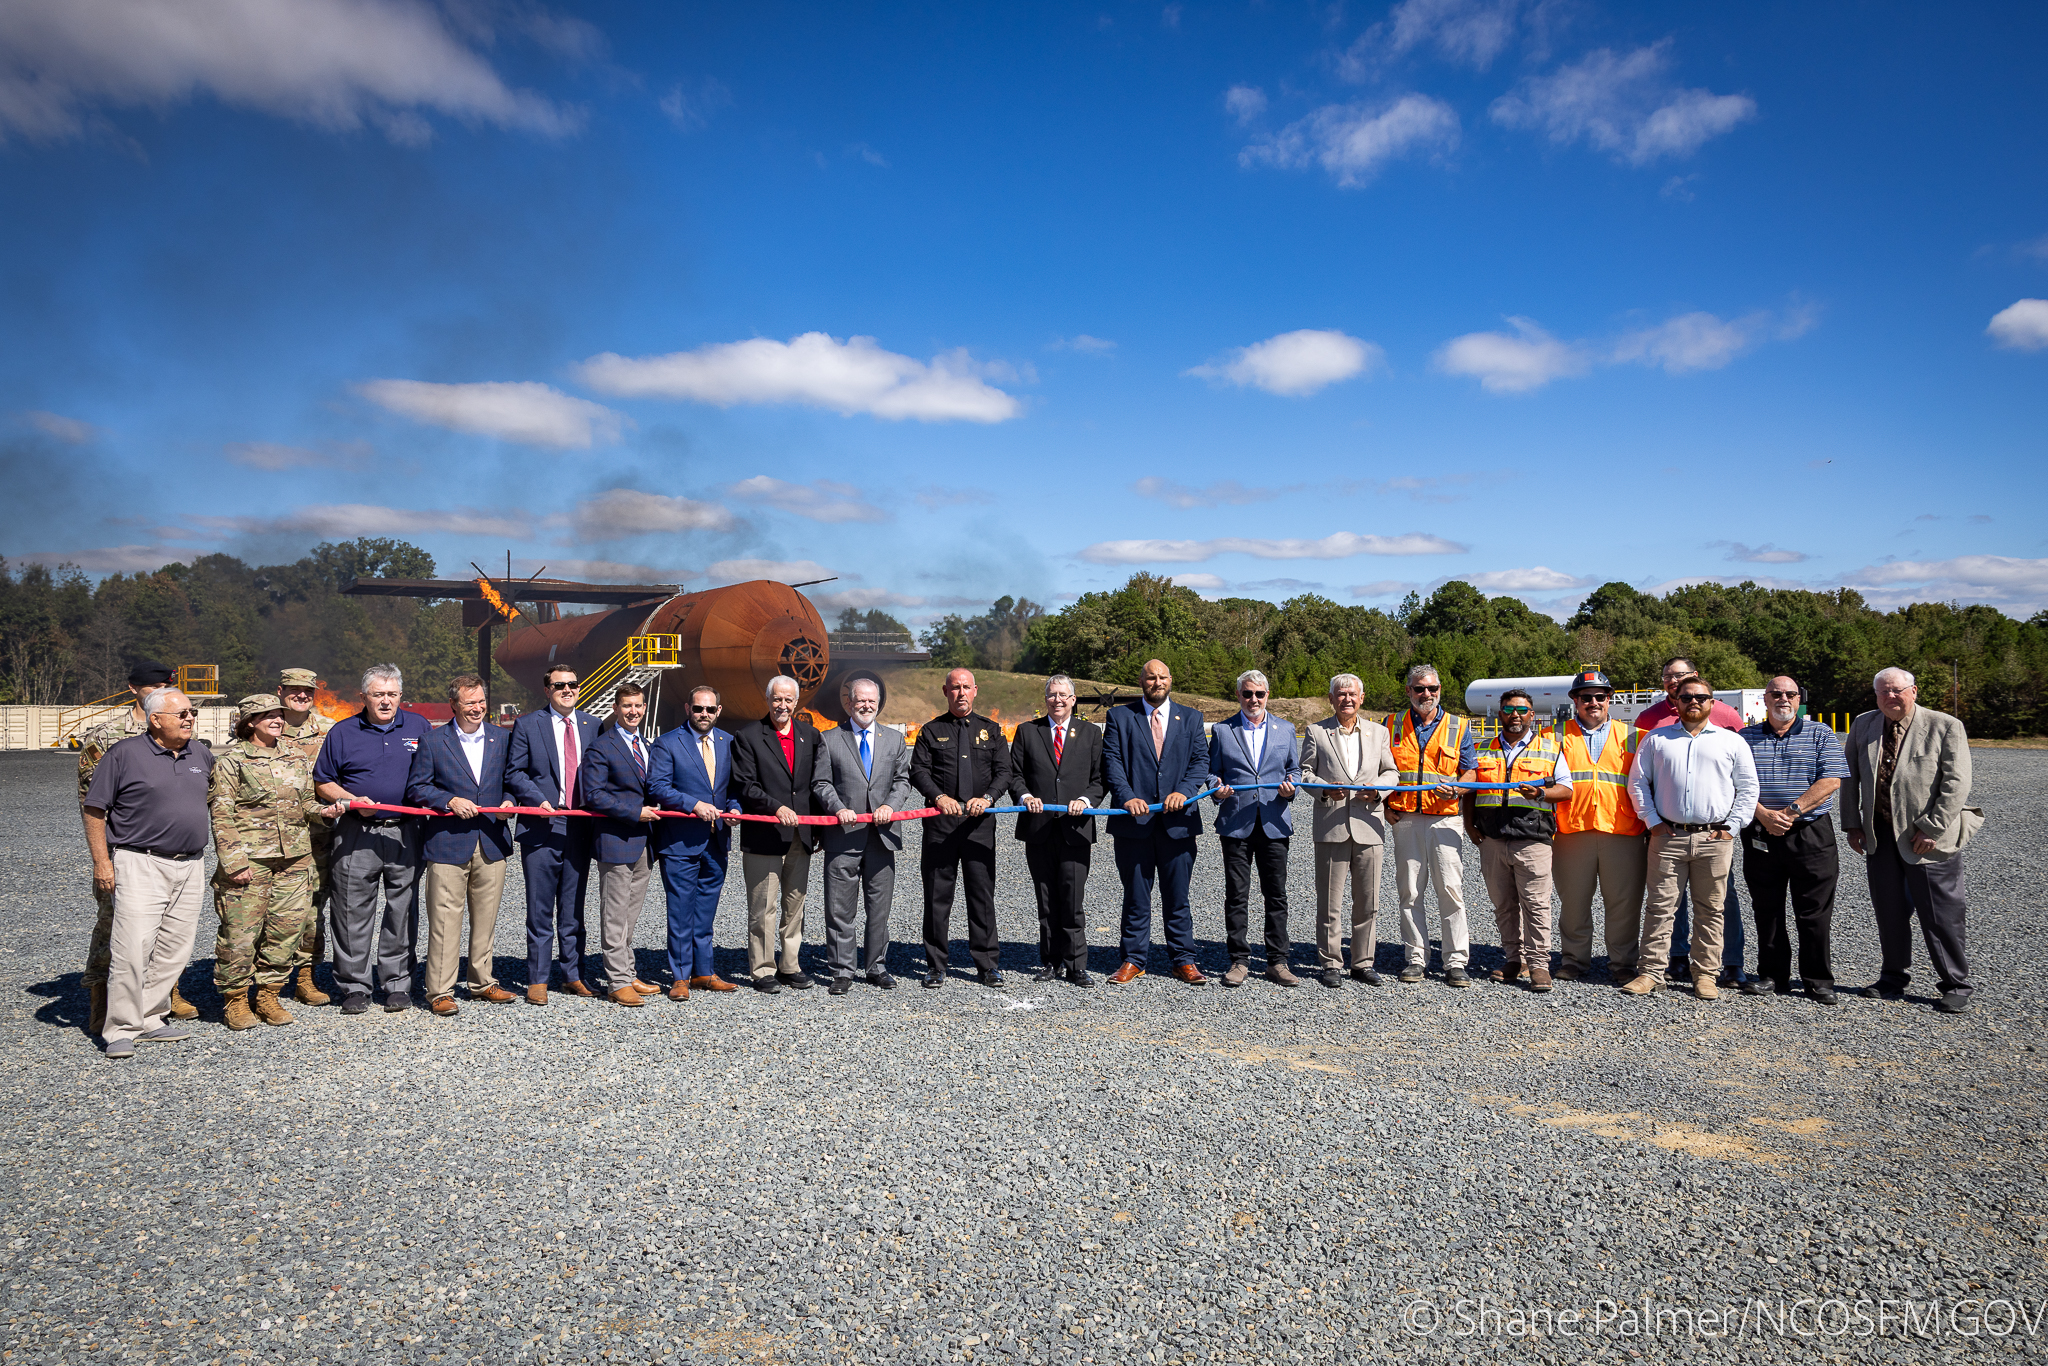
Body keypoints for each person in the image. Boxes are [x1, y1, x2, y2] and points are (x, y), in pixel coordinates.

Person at [80, 688, 213, 1059]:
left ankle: (152, 1017)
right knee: (132, 947)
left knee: (175, 948)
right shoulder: (124, 754)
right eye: (182, 714)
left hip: (190, 863)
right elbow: (94, 810)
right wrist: (101, 862)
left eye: (192, 714)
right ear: (156, 719)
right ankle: (120, 1027)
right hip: (140, 861)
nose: (190, 719)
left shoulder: (200, 753)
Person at [1841, 668, 1980, 1014]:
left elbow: (1956, 784)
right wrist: (1852, 824)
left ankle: (1955, 983)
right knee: (1889, 910)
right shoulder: (1863, 724)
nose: (1890, 697)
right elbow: (1849, 778)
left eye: (1897, 691)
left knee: (1941, 914)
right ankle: (1892, 977)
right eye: (1883, 692)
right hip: (1879, 836)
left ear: (1913, 691)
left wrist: (1932, 828)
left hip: (1926, 838)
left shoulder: (1945, 726)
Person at [210, 694, 344, 1030]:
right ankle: (235, 1000)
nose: (277, 720)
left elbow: (306, 804)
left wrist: (324, 812)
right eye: (267, 715)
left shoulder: (295, 757)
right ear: (250, 721)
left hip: (295, 859)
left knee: (286, 931)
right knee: (241, 933)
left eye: (278, 715)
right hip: (251, 860)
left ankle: (268, 994)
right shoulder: (232, 761)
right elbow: (221, 813)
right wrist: (233, 861)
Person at [1623, 679, 1758, 1001]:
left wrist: (1732, 827)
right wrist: (1653, 821)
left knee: (1711, 909)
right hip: (1668, 837)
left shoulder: (1731, 742)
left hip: (1714, 839)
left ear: (1712, 702)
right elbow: (1638, 783)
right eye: (1686, 697)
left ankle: (1706, 975)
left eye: (1700, 697)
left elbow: (1748, 788)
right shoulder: (1657, 739)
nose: (1693, 702)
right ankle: (1652, 972)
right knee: (1659, 907)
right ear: (1676, 702)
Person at [312, 665, 434, 1015]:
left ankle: (396, 983)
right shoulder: (343, 732)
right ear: (363, 696)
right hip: (356, 831)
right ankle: (354, 987)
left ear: (400, 696)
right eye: (378, 694)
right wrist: (351, 800)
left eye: (392, 694)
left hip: (406, 831)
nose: (385, 701)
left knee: (402, 909)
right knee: (351, 909)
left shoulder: (418, 727)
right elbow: (323, 781)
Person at [405, 674, 517, 1017]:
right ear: (453, 704)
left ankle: (483, 982)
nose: (477, 708)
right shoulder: (433, 742)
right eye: (469, 703)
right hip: (448, 844)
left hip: (491, 843)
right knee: (444, 920)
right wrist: (449, 799)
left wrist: (510, 802)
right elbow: (417, 788)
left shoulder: (503, 738)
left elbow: (513, 781)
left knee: (486, 919)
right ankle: (439, 990)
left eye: (481, 701)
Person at [1737, 676, 1850, 1004]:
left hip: (1810, 833)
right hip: (1761, 832)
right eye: (1776, 694)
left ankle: (1817, 979)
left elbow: (1831, 779)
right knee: (1766, 908)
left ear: (1799, 699)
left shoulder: (1820, 734)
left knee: (1813, 910)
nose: (1783, 698)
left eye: (1790, 694)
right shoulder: (1745, 737)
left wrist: (1791, 811)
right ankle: (1773, 975)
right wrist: (1763, 815)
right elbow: (1735, 781)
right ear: (1765, 699)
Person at [1102, 659, 1212, 986]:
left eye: (1162, 676)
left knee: (1177, 896)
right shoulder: (1120, 717)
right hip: (1133, 824)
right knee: (1136, 895)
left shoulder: (1191, 718)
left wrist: (1185, 791)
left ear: (1170, 680)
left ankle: (1183, 959)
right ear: (1141, 681)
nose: (1157, 682)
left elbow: (1199, 761)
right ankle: (1134, 959)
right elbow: (1112, 762)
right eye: (1151, 677)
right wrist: (1126, 796)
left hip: (1179, 823)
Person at [1462, 688, 1573, 992]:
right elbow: (1470, 790)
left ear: (1532, 715)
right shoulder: (1482, 749)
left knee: (1536, 905)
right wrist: (1469, 825)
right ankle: (1514, 959)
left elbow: (1566, 790)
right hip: (1493, 839)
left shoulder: (1550, 748)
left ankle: (1538, 965)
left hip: (1532, 839)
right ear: (1499, 714)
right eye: (1509, 709)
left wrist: (1541, 794)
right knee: (1504, 905)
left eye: (1522, 710)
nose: (1515, 715)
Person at [909, 668, 1014, 988]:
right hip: (941, 828)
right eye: (955, 688)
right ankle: (936, 965)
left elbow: (1004, 772)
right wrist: (938, 797)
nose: (961, 693)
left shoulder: (991, 730)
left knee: (981, 897)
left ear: (976, 690)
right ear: (945, 692)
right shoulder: (930, 730)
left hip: (979, 827)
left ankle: (986, 964)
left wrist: (989, 797)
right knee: (938, 898)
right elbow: (918, 771)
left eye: (966, 687)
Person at [505, 664, 603, 1004]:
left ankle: (574, 975)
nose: (567, 690)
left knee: (574, 910)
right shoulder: (528, 725)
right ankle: (538, 978)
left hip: (579, 827)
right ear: (546, 690)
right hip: (542, 826)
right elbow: (514, 772)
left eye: (573, 684)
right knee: (540, 908)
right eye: (559, 685)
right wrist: (538, 799)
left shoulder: (593, 725)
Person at [811, 678, 915, 994]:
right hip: (844, 834)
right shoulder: (829, 739)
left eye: (872, 701)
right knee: (840, 907)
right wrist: (837, 807)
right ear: (850, 703)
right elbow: (821, 783)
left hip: (882, 835)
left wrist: (890, 806)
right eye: (860, 701)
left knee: (879, 907)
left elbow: (902, 781)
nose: (866, 706)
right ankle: (842, 970)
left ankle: (876, 966)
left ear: (879, 702)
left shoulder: (895, 740)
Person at [1298, 672, 1400, 987]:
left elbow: (1392, 771)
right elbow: (1304, 773)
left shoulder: (1379, 732)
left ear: (1362, 698)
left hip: (1369, 825)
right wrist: (1325, 790)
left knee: (1368, 902)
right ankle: (1330, 963)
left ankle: (1362, 963)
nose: (1347, 699)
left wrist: (1379, 790)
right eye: (1340, 694)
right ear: (1331, 699)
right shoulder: (1316, 732)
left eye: (1352, 694)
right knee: (1330, 902)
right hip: (1331, 827)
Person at [1549, 669, 1648, 982]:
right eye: (1585, 697)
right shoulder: (1554, 736)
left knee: (1623, 903)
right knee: (1574, 901)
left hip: (1622, 831)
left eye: (1600, 696)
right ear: (1575, 700)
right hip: (1570, 830)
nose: (1593, 702)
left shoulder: (1635, 736)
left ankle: (1622, 964)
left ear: (1610, 699)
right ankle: (1574, 961)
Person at [1007, 673, 1106, 986]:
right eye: (1052, 695)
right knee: (1046, 899)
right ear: (1045, 699)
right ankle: (1050, 961)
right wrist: (1025, 796)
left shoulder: (1090, 733)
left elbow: (1100, 779)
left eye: (1064, 695)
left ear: (1073, 700)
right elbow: (1014, 775)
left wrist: (1085, 800)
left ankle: (1076, 964)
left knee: (1072, 898)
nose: (1058, 700)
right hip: (1039, 828)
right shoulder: (1027, 732)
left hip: (1075, 829)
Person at [1384, 664, 1478, 987]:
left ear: (1440, 690)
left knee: (1450, 890)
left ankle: (1455, 961)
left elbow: (1471, 772)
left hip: (1445, 818)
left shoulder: (1458, 726)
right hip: (1406, 818)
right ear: (1408, 691)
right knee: (1409, 891)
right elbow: (1381, 771)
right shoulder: (1391, 725)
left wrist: (1457, 787)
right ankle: (1415, 958)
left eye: (1432, 689)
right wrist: (1385, 805)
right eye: (1420, 688)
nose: (1427, 694)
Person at [730, 675, 825, 993]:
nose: (782, 705)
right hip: (765, 836)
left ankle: (790, 965)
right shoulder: (748, 736)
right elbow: (745, 784)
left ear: (796, 702)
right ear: (767, 699)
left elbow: (814, 786)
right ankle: (762, 969)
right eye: (776, 699)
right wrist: (775, 807)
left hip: (801, 835)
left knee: (794, 905)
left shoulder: (810, 735)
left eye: (788, 699)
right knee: (763, 908)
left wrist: (818, 827)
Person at [1208, 669, 1300, 987]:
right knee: (1236, 895)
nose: (1253, 700)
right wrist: (1216, 788)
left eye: (1259, 694)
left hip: (1274, 821)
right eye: (1247, 694)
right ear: (1238, 695)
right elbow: (1212, 773)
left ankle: (1277, 961)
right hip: (1236, 823)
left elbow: (1294, 769)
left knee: (1276, 895)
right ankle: (1239, 960)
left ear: (1267, 695)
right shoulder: (1222, 730)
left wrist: (1293, 787)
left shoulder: (1286, 729)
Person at [649, 685, 742, 998]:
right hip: (680, 843)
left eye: (710, 709)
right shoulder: (667, 743)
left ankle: (704, 972)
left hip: (716, 842)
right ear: (688, 708)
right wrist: (693, 805)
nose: (704, 714)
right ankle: (680, 977)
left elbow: (735, 789)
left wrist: (735, 809)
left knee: (705, 912)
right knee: (680, 913)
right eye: (699, 709)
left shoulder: (729, 743)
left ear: (719, 710)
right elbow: (658, 787)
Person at [578, 682, 666, 1007]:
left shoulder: (647, 744)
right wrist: (635, 812)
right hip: (616, 839)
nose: (633, 711)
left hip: (645, 842)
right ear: (616, 708)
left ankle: (627, 972)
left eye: (639, 706)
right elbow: (594, 795)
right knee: (614, 913)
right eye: (627, 706)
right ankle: (616, 981)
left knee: (631, 912)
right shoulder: (602, 747)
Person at [277, 667, 336, 1008]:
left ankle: (304, 977)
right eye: (293, 689)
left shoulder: (328, 731)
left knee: (313, 908)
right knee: (267, 910)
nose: (301, 695)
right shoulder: (265, 726)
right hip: (270, 836)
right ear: (281, 690)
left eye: (307, 691)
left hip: (317, 838)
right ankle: (265, 981)